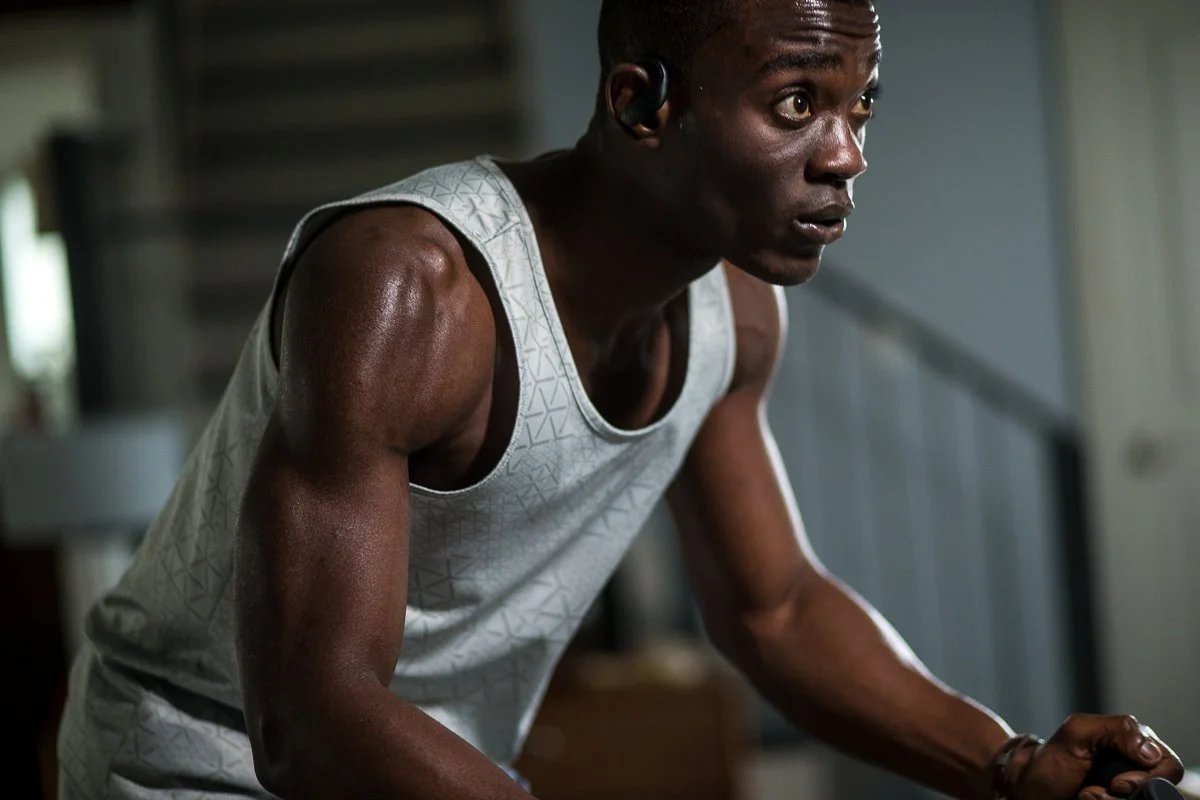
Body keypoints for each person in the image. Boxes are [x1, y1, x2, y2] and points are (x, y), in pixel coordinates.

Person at [58, 1, 1185, 798]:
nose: (845, 155)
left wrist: (1003, 763)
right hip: (193, 767)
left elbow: (776, 605)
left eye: (860, 104)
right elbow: (307, 716)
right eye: (796, 102)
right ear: (642, 100)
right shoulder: (415, 287)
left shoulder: (737, 312)